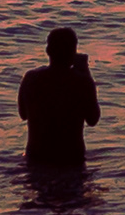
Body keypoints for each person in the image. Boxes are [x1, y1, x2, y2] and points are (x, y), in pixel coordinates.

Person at [17, 25, 100, 173]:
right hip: (70, 160)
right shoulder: (82, 81)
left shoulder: (30, 78)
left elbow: (23, 114)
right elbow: (93, 119)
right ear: (73, 53)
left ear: (48, 51)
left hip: (37, 158)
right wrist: (86, 73)